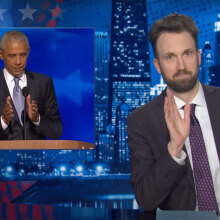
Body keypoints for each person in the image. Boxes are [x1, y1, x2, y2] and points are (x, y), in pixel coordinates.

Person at [127, 12, 220, 214]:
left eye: (187, 53)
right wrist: (174, 149)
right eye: (170, 57)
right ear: (158, 66)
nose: (181, 66)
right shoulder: (141, 121)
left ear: (199, 57)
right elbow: (146, 200)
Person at [0, 30, 62, 140]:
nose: (18, 62)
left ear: (28, 52)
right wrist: (3, 121)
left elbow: (56, 131)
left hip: (35, 155)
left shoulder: (43, 83)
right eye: (12, 55)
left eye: (22, 55)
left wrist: (37, 119)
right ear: (1, 54)